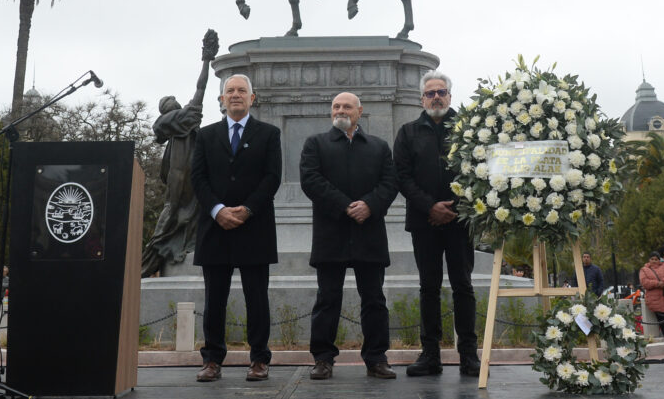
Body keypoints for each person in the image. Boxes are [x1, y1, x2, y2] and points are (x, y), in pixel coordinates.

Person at [190, 74, 282, 383]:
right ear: (221, 99)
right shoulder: (204, 136)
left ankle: (259, 359)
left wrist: (247, 210)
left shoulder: (269, 134)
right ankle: (212, 360)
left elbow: (272, 178)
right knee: (214, 299)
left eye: (242, 90)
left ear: (252, 98)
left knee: (257, 299)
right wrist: (217, 210)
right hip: (215, 229)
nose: (236, 95)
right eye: (230, 91)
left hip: (253, 227)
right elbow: (198, 179)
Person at [301, 92, 398, 381]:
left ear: (359, 111)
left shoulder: (379, 147)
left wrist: (370, 204)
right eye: (336, 106)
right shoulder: (315, 144)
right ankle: (322, 359)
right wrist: (345, 205)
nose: (340, 110)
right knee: (327, 299)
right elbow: (311, 180)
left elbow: (390, 182)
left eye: (346, 106)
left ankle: (377, 359)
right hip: (331, 233)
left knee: (374, 300)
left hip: (369, 233)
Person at [394, 70, 479, 377]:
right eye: (430, 93)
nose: (436, 97)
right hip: (424, 221)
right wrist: (430, 206)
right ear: (422, 99)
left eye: (441, 92)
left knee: (463, 286)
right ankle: (431, 356)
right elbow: (401, 176)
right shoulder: (407, 132)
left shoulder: (469, 130)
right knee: (428, 288)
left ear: (450, 96)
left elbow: (479, 170)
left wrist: (455, 207)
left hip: (460, 221)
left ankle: (469, 355)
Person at [142, 30, 218, 277]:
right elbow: (201, 86)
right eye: (170, 101)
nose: (174, 102)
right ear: (168, 109)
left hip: (181, 177)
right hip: (186, 177)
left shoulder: (168, 127)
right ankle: (153, 254)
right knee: (177, 212)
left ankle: (156, 253)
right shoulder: (185, 117)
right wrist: (206, 60)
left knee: (176, 213)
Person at [639, 251, 664, 340]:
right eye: (652, 259)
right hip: (653, 299)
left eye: (656, 259)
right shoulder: (644, 270)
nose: (654, 261)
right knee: (661, 319)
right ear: (649, 260)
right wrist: (657, 284)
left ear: (659, 260)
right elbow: (644, 282)